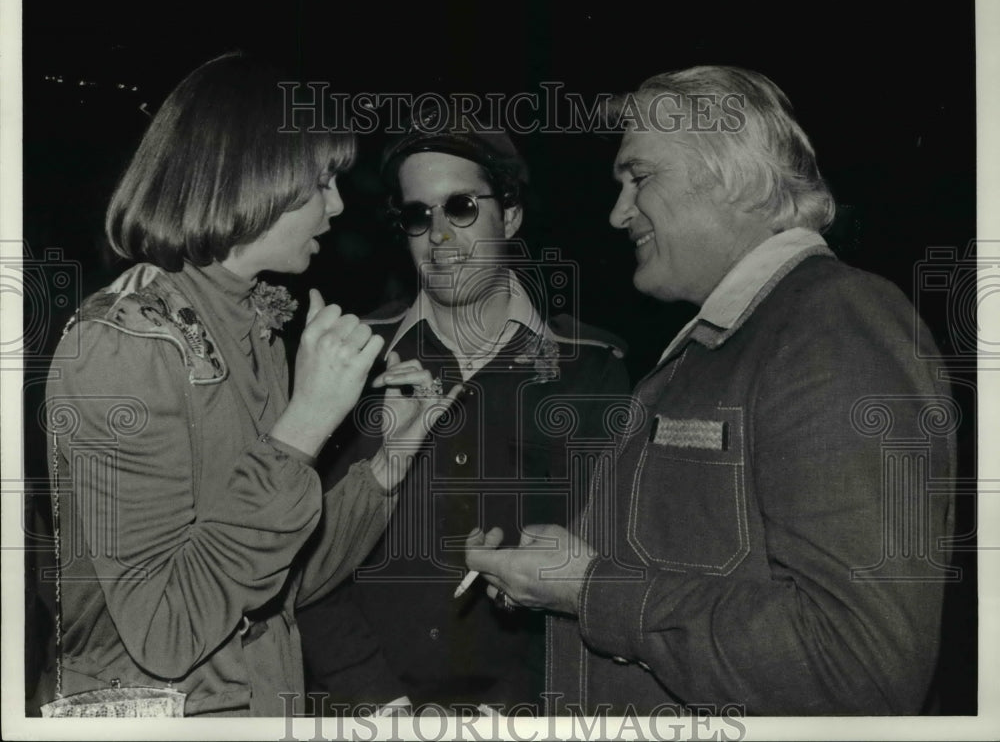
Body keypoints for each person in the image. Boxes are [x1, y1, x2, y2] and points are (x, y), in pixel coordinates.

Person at [465, 66, 957, 716]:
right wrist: (568, 568)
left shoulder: (835, 324)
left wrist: (589, 587)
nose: (617, 214)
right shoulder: (728, 340)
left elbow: (857, 666)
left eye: (638, 178)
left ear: (739, 178)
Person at [41, 53, 458, 717]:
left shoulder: (253, 323)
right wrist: (302, 430)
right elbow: (166, 626)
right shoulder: (120, 346)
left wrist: (387, 464)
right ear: (254, 174)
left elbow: (277, 583)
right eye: (322, 179)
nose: (338, 204)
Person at [296, 104, 631, 714]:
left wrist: (515, 708)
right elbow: (301, 553)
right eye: (418, 216)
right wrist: (375, 702)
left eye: (461, 207)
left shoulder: (591, 368)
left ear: (512, 215)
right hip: (364, 710)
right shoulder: (354, 358)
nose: (440, 236)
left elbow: (607, 565)